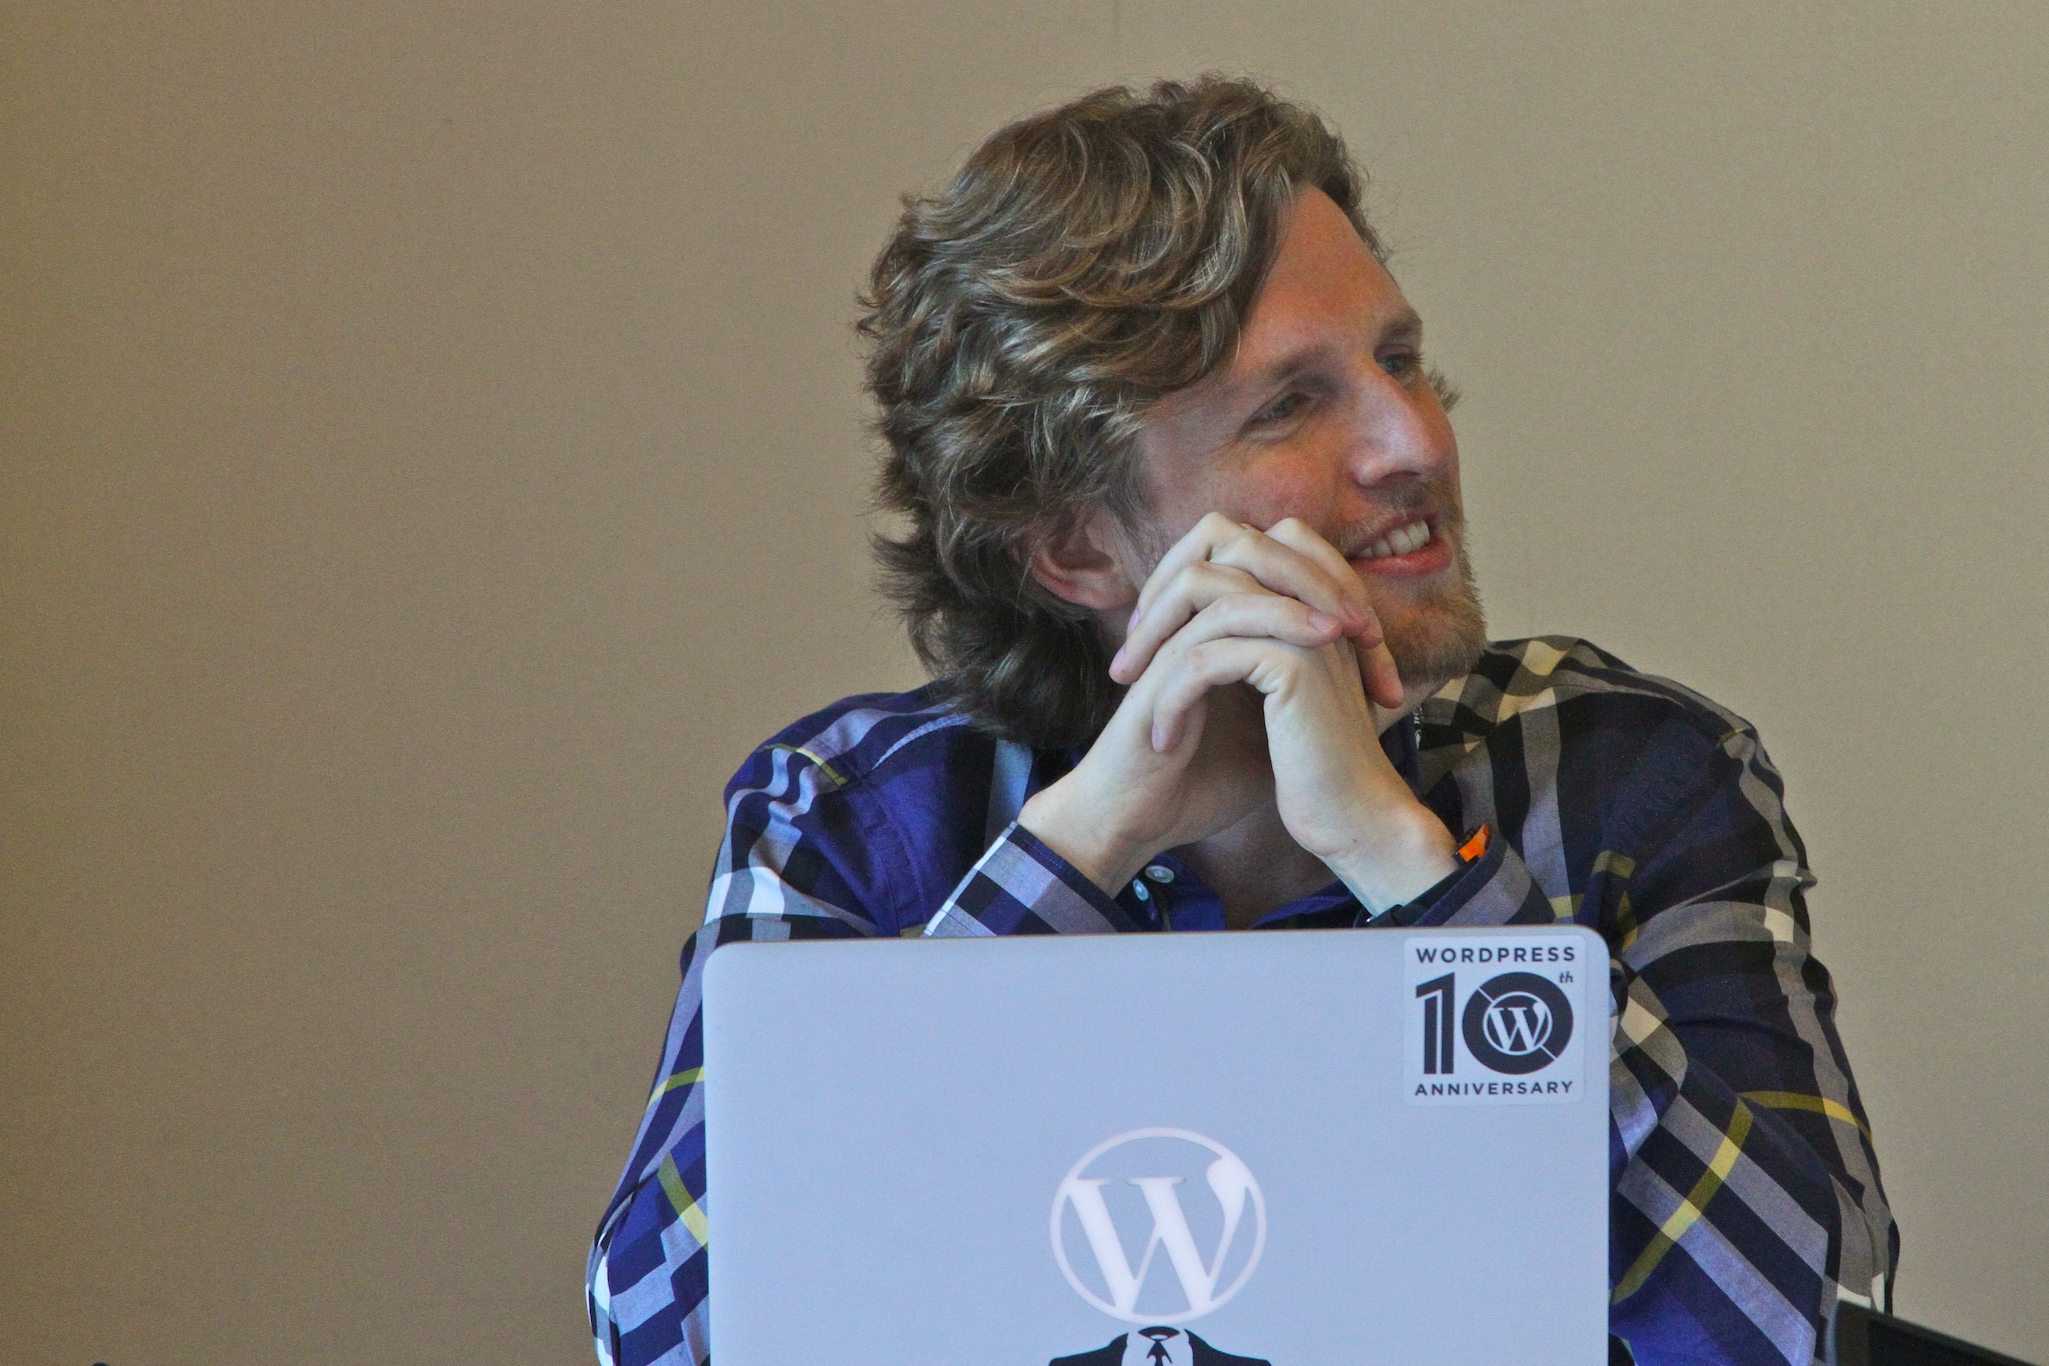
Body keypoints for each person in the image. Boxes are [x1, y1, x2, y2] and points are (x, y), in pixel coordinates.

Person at [586, 76, 1895, 1366]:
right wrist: (1071, 859)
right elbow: (665, 1335)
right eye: (1289, 404)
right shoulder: (851, 815)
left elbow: (1811, 1324)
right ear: (1077, 549)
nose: (1412, 441)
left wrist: (1410, 869)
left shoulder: (1628, 775)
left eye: (1398, 361)